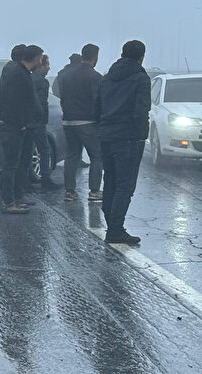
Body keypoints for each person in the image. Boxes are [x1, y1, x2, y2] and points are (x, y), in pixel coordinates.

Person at [95, 39, 150, 246]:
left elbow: (97, 107)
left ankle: (113, 225)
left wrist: (101, 128)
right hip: (128, 138)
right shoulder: (140, 79)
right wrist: (142, 135)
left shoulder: (107, 78)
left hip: (106, 135)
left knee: (110, 181)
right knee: (124, 186)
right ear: (141, 57)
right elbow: (140, 111)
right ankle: (116, 230)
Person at [0, 44, 43, 213]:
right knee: (10, 165)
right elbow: (15, 101)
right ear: (36, 58)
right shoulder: (19, 74)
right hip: (13, 126)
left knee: (15, 164)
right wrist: (21, 122)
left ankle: (16, 198)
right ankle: (9, 202)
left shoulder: (15, 70)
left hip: (13, 124)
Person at [59, 43, 103, 202]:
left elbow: (62, 96)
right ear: (95, 57)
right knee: (97, 156)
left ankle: (69, 192)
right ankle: (94, 191)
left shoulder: (67, 76)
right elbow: (98, 101)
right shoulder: (95, 77)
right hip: (87, 122)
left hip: (69, 121)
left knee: (71, 156)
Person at [30, 53, 57, 188]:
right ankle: (46, 180)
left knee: (27, 151)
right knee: (44, 150)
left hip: (28, 122)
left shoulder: (29, 78)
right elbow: (41, 103)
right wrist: (42, 118)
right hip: (38, 122)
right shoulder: (42, 82)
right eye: (47, 65)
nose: (49, 68)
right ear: (41, 65)